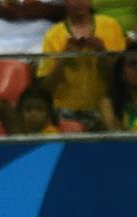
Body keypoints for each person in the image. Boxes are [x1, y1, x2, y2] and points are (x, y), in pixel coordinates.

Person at [36, 0, 127, 131]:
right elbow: (44, 90)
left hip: (104, 111)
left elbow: (123, 77)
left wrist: (103, 54)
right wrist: (63, 59)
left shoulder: (111, 26)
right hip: (64, 113)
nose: (79, 2)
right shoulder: (53, 35)